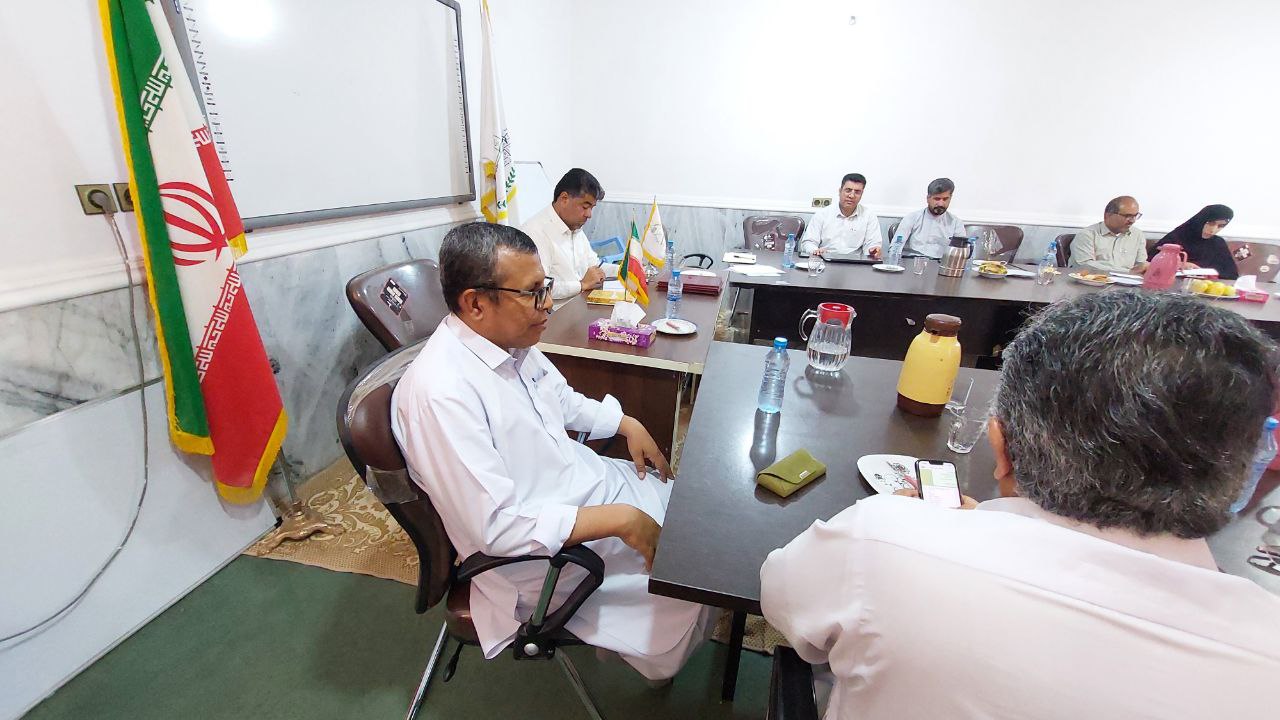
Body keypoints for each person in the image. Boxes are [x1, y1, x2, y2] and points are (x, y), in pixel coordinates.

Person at [760, 290, 1280, 719]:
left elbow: (783, 602)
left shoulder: (881, 540)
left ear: (1000, 446)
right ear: (1243, 474)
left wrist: (925, 528)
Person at [391, 222, 710, 680]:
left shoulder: (509, 343)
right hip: (542, 554)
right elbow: (496, 528)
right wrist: (620, 520)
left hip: (580, 489)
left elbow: (560, 399)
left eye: (546, 287)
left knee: (692, 522)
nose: (547, 305)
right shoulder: (441, 394)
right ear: (476, 303)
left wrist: (625, 422)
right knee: (691, 570)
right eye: (533, 293)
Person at [520, 168, 618, 300]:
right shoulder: (535, 232)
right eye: (585, 207)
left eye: (592, 208)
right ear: (564, 199)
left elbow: (595, 267)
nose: (589, 214)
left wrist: (624, 271)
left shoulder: (575, 227)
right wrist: (582, 285)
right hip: (554, 311)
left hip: (580, 304)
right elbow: (539, 287)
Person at [799, 173, 882, 258]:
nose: (851, 196)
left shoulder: (869, 216)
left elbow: (872, 244)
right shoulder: (822, 214)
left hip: (855, 263)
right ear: (840, 191)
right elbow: (808, 242)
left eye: (857, 192)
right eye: (848, 190)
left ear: (861, 194)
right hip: (824, 260)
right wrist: (815, 250)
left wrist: (874, 251)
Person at [1151, 204, 1238, 280]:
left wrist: (1209, 274)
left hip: (1207, 288)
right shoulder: (1176, 237)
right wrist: (1178, 265)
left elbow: (1231, 274)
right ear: (1201, 220)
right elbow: (1149, 264)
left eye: (1221, 226)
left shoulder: (1218, 243)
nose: (1213, 230)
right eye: (1210, 223)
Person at [1069, 196, 1149, 274]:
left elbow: (1141, 265)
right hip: (1094, 281)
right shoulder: (1087, 235)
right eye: (1127, 216)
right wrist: (1128, 272)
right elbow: (1085, 266)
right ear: (1108, 215)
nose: (1132, 221)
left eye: (1135, 216)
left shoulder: (1137, 235)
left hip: (1129, 281)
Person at [893, 178, 965, 259]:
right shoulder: (912, 218)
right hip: (913, 261)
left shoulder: (956, 223)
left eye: (945, 199)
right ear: (928, 198)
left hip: (942, 263)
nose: (941, 204)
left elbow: (960, 253)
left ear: (950, 198)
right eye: (937, 199)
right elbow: (895, 247)